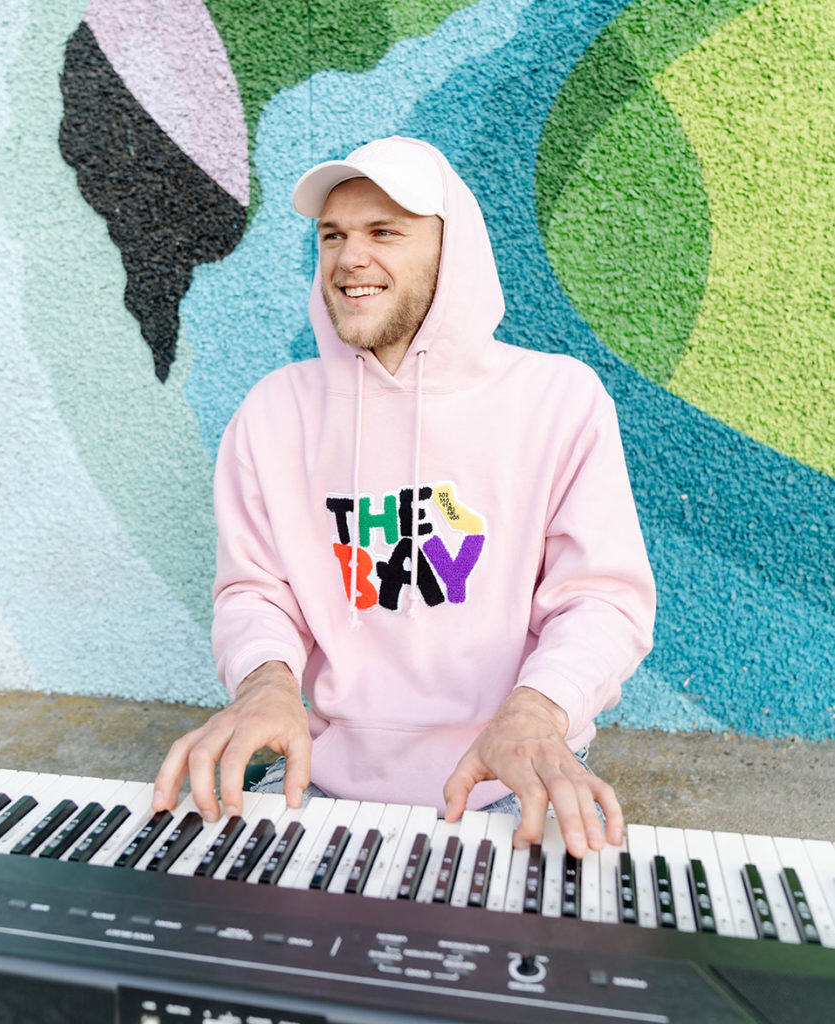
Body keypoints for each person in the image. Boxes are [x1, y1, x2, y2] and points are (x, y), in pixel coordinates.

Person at [153, 136, 656, 859]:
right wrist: (264, 684)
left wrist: (537, 712)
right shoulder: (273, 413)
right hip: (318, 782)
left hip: (508, 781)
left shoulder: (556, 401)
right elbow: (257, 592)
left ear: (450, 254)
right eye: (333, 236)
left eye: (383, 232)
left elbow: (601, 601)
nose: (349, 258)